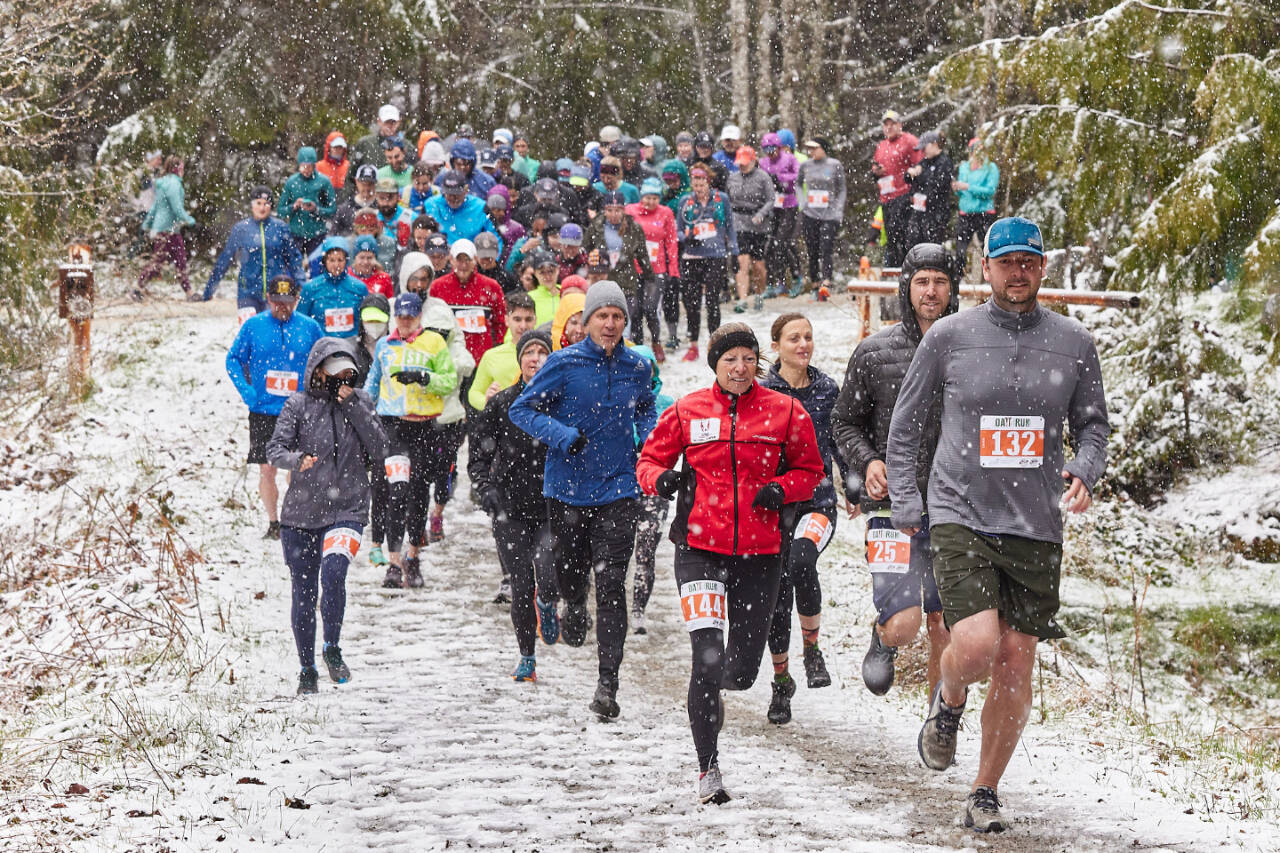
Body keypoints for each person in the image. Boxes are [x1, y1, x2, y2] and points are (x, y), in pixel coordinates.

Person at [886, 218, 1110, 833]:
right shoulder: (951, 337)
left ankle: (984, 790)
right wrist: (907, 502)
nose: (1017, 272)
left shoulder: (1073, 341)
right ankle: (950, 698)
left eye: (1028, 262)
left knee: (1016, 658)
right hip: (961, 512)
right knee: (980, 645)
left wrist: (1086, 468)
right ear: (985, 268)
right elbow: (905, 428)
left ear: (1043, 268)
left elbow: (1093, 424)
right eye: (1005, 261)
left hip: (1035, 522)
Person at [636, 322, 824, 805]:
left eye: (747, 359)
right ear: (714, 366)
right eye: (729, 360)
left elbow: (812, 472)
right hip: (699, 550)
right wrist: (662, 481)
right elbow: (648, 462)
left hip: (760, 555)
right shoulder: (686, 410)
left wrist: (782, 489)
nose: (739, 368)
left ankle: (713, 686)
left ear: (757, 362)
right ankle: (708, 768)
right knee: (707, 655)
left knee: (741, 672)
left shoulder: (785, 411)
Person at [508, 282, 657, 720]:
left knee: (612, 583)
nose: (610, 324)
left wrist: (644, 439)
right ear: (587, 321)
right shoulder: (563, 363)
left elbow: (646, 406)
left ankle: (607, 683)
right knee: (572, 573)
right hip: (568, 487)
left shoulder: (637, 366)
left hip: (618, 488)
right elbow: (523, 409)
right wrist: (562, 436)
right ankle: (571, 601)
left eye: (617, 316)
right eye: (602, 316)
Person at [831, 243, 960, 700]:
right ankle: (884, 639)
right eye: (922, 281)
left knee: (947, 624)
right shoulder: (874, 352)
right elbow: (843, 421)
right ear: (906, 288)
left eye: (940, 281)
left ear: (954, 288)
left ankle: (940, 722)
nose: (931, 291)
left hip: (954, 507)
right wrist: (867, 461)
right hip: (891, 505)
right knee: (906, 626)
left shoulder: (971, 349)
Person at [267, 337, 388, 694]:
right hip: (300, 515)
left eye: (348, 371)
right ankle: (306, 668)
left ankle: (331, 648)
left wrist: (353, 406)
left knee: (334, 574)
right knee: (303, 593)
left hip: (346, 508)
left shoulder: (361, 401)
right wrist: (295, 460)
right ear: (317, 370)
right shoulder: (298, 404)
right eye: (334, 370)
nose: (341, 378)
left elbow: (380, 447)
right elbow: (275, 448)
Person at [761, 312, 847, 724]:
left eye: (808, 337)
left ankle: (812, 650)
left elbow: (840, 437)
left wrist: (854, 483)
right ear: (775, 345)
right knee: (777, 591)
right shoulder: (760, 391)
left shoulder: (827, 388)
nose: (803, 344)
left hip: (817, 501)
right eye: (794, 338)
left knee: (801, 560)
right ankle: (781, 682)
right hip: (774, 506)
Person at [469, 328, 553, 669]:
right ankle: (527, 656)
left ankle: (547, 604)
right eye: (529, 353)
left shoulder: (562, 401)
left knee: (548, 576)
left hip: (551, 506)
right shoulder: (502, 402)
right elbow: (478, 454)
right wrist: (485, 488)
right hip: (509, 507)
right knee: (520, 583)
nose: (535, 359)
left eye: (542, 352)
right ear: (520, 360)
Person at [363, 291, 459, 588]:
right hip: (393, 427)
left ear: (419, 317)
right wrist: (363, 411)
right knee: (398, 490)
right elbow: (373, 382)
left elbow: (450, 381)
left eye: (410, 317)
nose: (404, 322)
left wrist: (423, 377)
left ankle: (413, 557)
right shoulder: (384, 345)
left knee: (419, 492)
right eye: (400, 317)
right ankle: (393, 562)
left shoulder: (434, 343)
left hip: (425, 427)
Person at [225, 275, 324, 539]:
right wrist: (247, 391)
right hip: (263, 410)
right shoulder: (253, 326)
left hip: (299, 410)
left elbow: (324, 360)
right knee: (267, 468)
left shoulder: (310, 327)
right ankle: (273, 522)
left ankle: (294, 517)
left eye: (288, 302)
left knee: (298, 467)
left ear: (297, 299)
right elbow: (233, 359)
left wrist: (318, 393)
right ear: (268, 299)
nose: (283, 307)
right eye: (278, 302)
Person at [202, 186, 306, 319]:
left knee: (271, 335)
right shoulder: (241, 229)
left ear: (271, 206)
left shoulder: (280, 228)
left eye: (266, 204)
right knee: (249, 332)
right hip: (248, 292)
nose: (262, 208)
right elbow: (225, 259)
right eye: (258, 203)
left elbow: (293, 258)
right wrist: (210, 288)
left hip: (276, 292)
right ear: (252, 205)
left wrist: (301, 284)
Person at [627, 345, 674, 634]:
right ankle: (612, 602)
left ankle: (638, 610)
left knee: (646, 551)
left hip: (654, 487)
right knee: (614, 552)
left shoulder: (667, 404)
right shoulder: (615, 400)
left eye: (647, 370)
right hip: (618, 485)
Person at [430, 237, 507, 410]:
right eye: (459, 260)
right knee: (447, 413)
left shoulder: (491, 287)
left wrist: (495, 350)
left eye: (467, 260)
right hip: (449, 361)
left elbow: (500, 323)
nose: (463, 265)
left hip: (481, 362)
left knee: (477, 411)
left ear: (475, 261)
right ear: (451, 260)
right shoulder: (438, 287)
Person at [675, 164, 737, 362]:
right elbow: (677, 230)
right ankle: (693, 344)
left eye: (701, 180)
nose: (698, 185)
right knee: (691, 301)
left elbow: (730, 226)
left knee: (712, 300)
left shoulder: (721, 199)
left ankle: (715, 342)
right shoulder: (685, 202)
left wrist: (734, 249)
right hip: (692, 256)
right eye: (695, 181)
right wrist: (686, 237)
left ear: (708, 180)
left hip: (715, 255)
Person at [582, 192, 656, 344]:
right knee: (603, 320)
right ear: (604, 210)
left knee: (624, 322)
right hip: (602, 279)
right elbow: (586, 248)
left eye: (617, 210)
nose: (613, 214)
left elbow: (642, 255)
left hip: (626, 281)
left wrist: (650, 277)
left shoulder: (633, 228)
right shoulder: (597, 225)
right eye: (609, 210)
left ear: (623, 210)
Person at [626, 178, 680, 360]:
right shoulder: (631, 211)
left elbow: (671, 241)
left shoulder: (666, 213)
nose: (650, 202)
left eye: (655, 198)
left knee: (650, 309)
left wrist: (673, 269)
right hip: (634, 269)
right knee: (635, 311)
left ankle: (656, 342)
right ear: (642, 197)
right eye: (647, 198)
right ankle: (639, 347)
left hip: (656, 270)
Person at [137, 155, 197, 300]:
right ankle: (136, 288)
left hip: (165, 229)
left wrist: (148, 223)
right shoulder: (174, 184)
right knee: (161, 262)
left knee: (177, 260)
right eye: (181, 167)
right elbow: (176, 207)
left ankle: (189, 292)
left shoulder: (164, 184)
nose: (183, 171)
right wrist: (190, 221)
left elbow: (156, 206)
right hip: (168, 229)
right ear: (177, 169)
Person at [467, 291, 537, 412]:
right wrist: (486, 401)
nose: (523, 326)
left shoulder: (547, 354)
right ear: (506, 320)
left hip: (536, 422)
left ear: (535, 320)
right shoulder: (492, 356)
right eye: (517, 319)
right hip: (502, 423)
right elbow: (474, 393)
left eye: (528, 319)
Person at [727, 146, 773, 312]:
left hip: (758, 224)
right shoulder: (732, 178)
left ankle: (759, 294)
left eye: (745, 163)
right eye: (740, 163)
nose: (743, 166)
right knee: (742, 261)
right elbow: (727, 200)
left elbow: (770, 200)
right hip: (738, 223)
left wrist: (761, 214)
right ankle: (743, 299)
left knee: (758, 264)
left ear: (754, 161)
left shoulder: (763, 177)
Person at [797, 137, 846, 296]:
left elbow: (842, 189)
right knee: (812, 249)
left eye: (814, 148)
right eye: (809, 149)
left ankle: (826, 281)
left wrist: (838, 209)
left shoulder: (834, 165)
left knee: (826, 247)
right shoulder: (805, 165)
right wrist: (803, 203)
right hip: (810, 213)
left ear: (823, 148)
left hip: (829, 213)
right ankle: (814, 282)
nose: (811, 152)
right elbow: (797, 184)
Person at [872, 110, 921, 267]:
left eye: (892, 124)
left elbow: (921, 165)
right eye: (886, 125)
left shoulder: (909, 141)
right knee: (891, 237)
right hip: (886, 196)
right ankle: (893, 272)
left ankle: (906, 270)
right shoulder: (881, 146)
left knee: (904, 236)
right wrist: (876, 171)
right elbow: (875, 169)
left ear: (900, 125)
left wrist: (913, 175)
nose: (889, 128)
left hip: (904, 195)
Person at [298, 237, 369, 339]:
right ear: (324, 261)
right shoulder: (310, 288)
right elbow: (301, 322)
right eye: (331, 260)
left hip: (352, 347)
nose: (336, 265)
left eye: (340, 260)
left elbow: (365, 322)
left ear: (346, 261)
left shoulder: (359, 288)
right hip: (321, 346)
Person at [759, 132, 801, 297]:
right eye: (766, 149)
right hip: (772, 206)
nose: (770, 153)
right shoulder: (763, 162)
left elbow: (799, 176)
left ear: (778, 147)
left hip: (789, 205)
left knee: (783, 243)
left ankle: (797, 278)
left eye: (773, 149)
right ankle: (776, 282)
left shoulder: (789, 159)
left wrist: (781, 178)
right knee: (770, 246)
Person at [953, 138, 1000, 276]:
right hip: (965, 212)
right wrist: (957, 188)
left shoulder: (991, 168)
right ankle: (959, 279)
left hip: (984, 212)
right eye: (974, 150)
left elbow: (990, 191)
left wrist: (969, 187)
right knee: (960, 250)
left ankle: (991, 277)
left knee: (987, 249)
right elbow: (961, 191)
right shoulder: (964, 167)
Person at [279, 147, 337, 256]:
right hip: (296, 234)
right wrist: (294, 206)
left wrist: (316, 209)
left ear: (314, 165)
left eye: (309, 166)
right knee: (294, 268)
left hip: (317, 234)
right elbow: (280, 210)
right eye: (303, 166)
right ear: (299, 165)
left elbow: (332, 210)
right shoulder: (291, 182)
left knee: (316, 267)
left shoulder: (324, 182)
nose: (306, 169)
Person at [424, 170, 503, 248]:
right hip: (439, 256)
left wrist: (495, 260)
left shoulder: (480, 207)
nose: (452, 198)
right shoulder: (431, 205)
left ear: (466, 190)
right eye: (449, 194)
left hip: (471, 256)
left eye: (456, 194)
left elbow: (498, 239)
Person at [904, 130, 954, 252]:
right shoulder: (924, 162)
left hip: (936, 212)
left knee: (932, 246)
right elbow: (908, 180)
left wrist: (922, 175)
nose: (922, 152)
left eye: (924, 148)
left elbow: (938, 185)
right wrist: (910, 174)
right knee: (913, 243)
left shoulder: (945, 162)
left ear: (934, 144)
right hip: (919, 211)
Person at [352, 104, 409, 172]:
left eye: (393, 122)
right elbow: (351, 174)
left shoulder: (407, 145)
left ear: (399, 122)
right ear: (379, 121)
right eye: (387, 122)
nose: (390, 125)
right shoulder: (365, 143)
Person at [332, 164, 379, 236]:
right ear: (356, 182)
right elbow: (333, 234)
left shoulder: (382, 207)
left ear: (376, 184)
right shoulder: (344, 209)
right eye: (363, 184)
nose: (366, 188)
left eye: (370, 184)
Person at [316, 132, 350, 197]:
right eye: (335, 147)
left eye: (340, 147)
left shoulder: (348, 166)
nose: (337, 150)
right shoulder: (319, 166)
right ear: (329, 148)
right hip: (324, 198)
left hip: (344, 199)